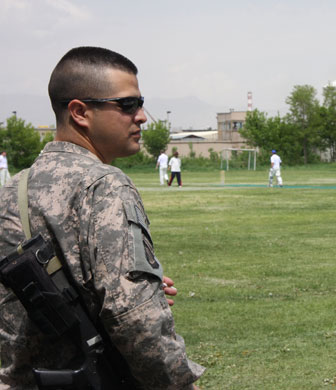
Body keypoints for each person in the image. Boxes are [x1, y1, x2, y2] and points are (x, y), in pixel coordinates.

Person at [0, 47, 204, 389]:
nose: (141, 116)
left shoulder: (12, 190)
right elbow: (136, 319)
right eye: (127, 104)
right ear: (80, 111)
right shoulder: (103, 184)